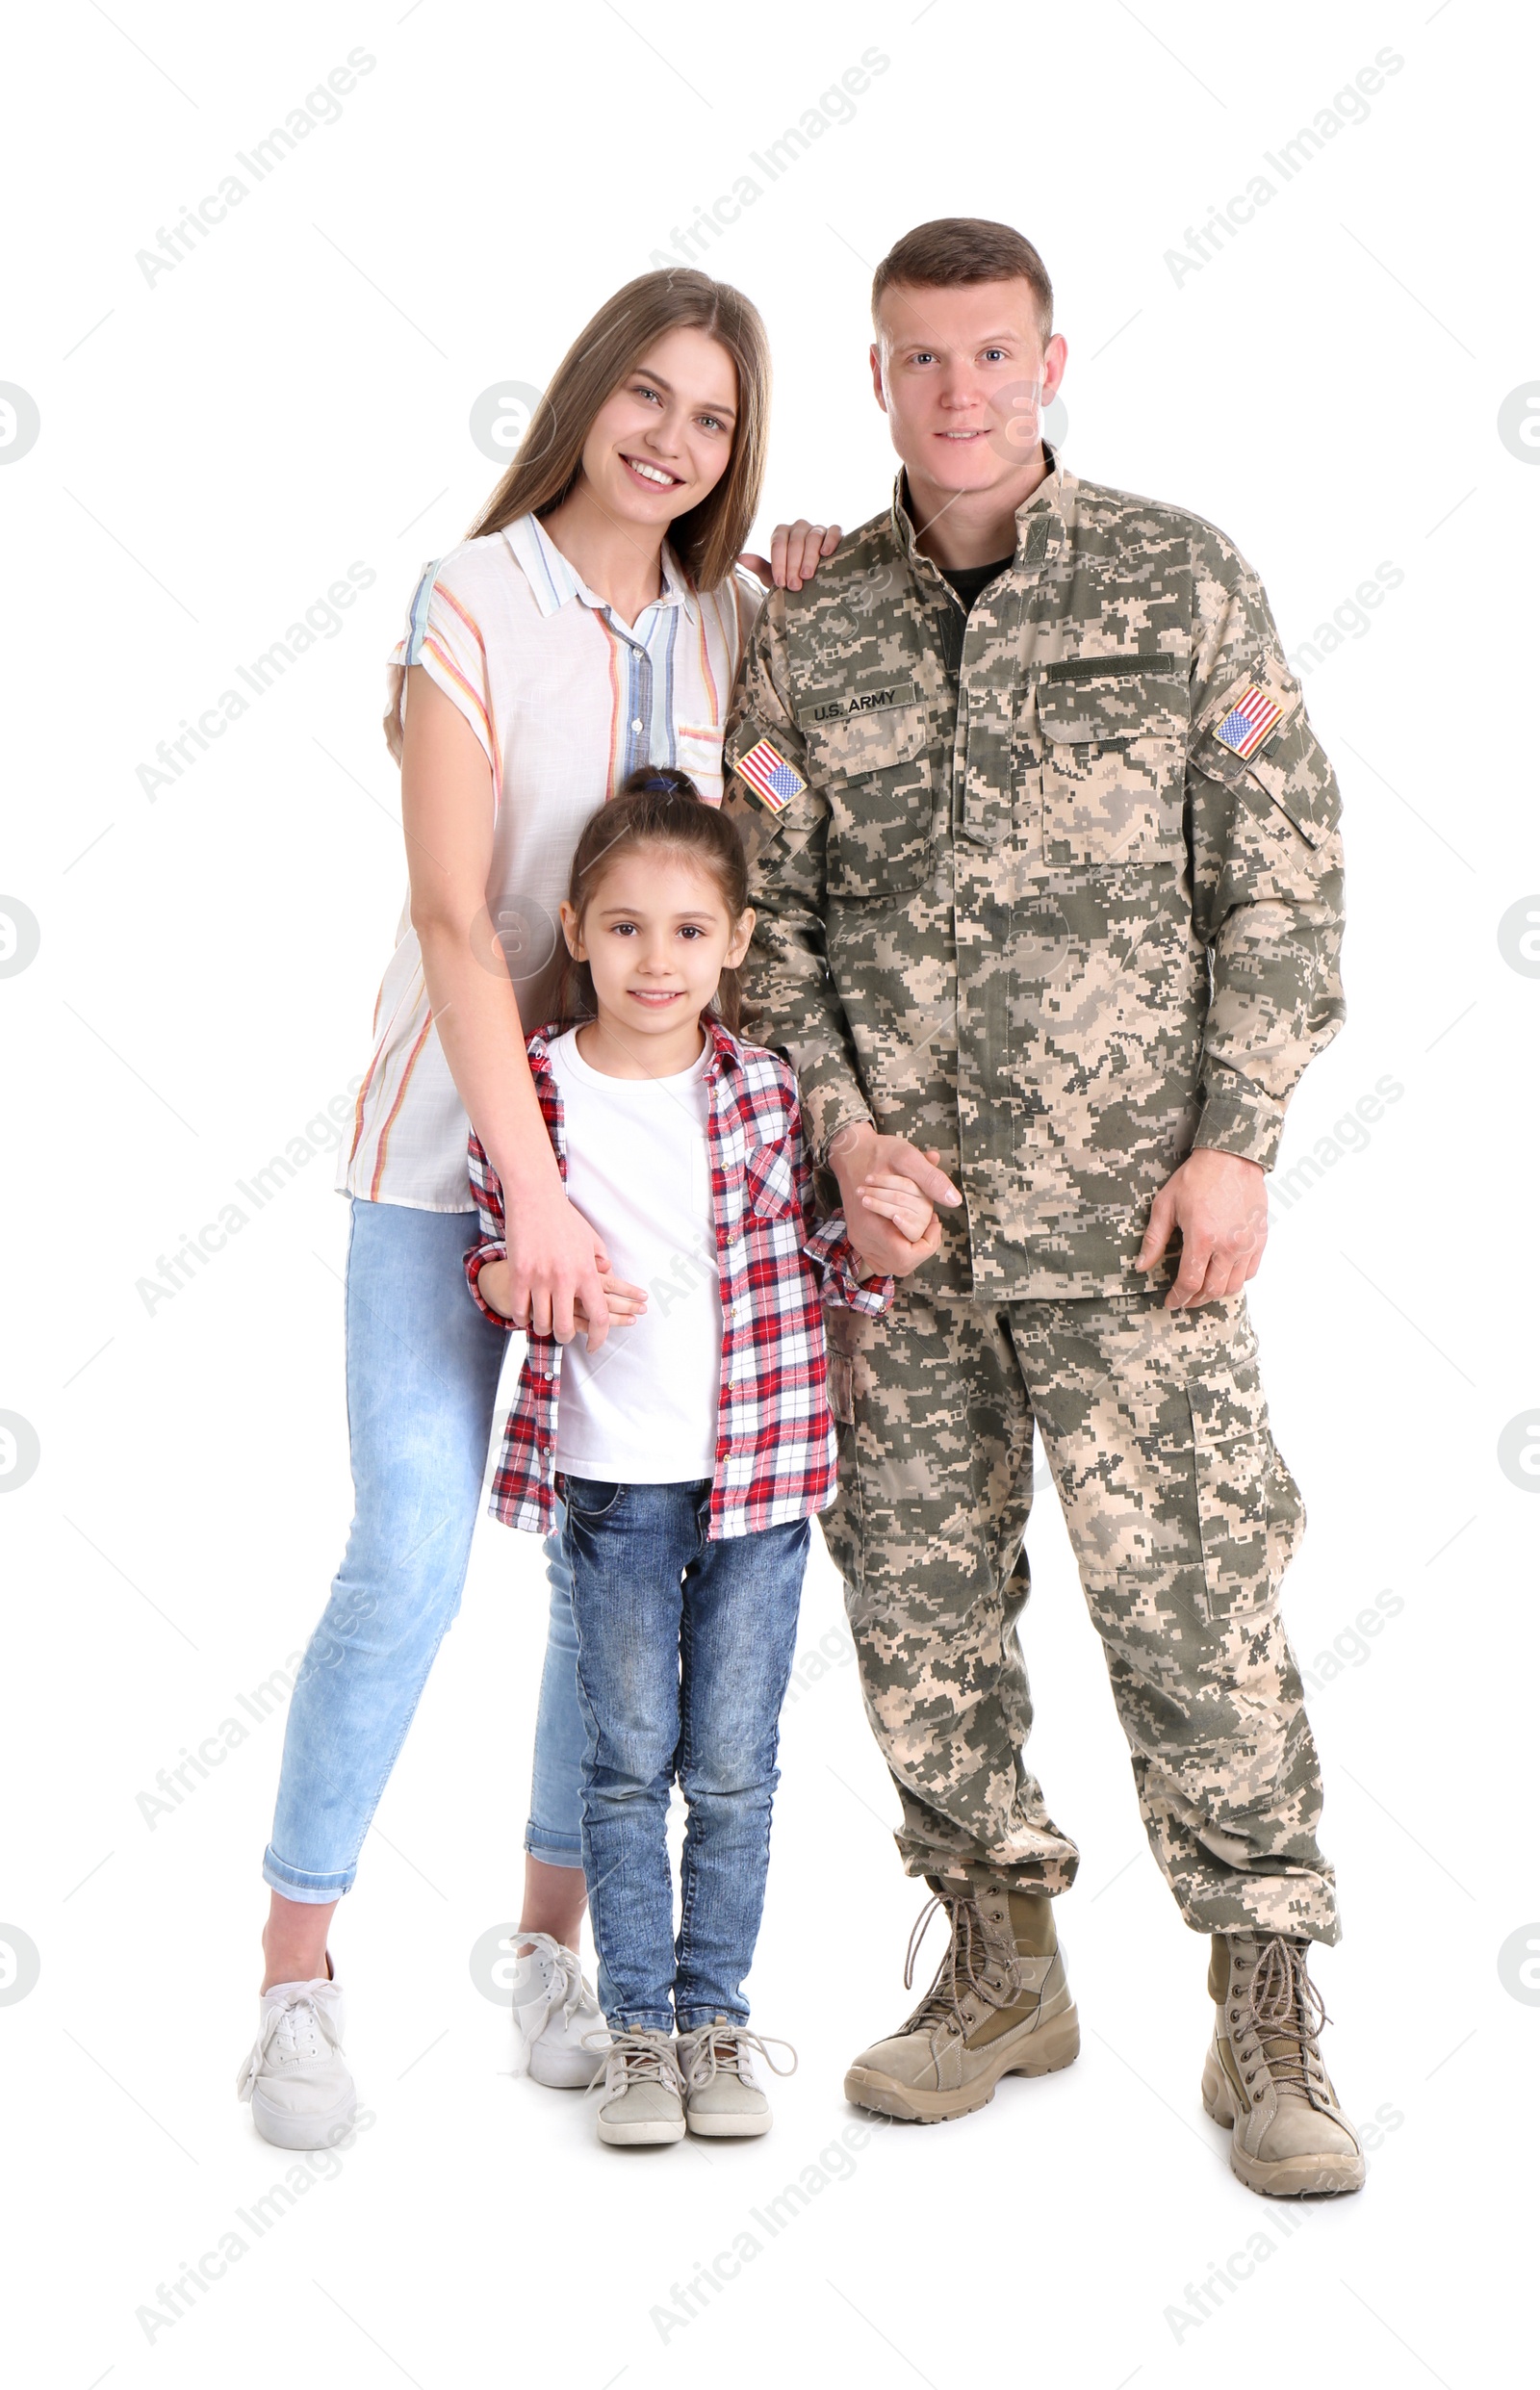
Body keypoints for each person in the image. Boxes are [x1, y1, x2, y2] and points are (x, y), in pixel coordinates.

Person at [723, 218, 1365, 2197]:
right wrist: (838, 1142)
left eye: (993, 355)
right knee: (918, 1619)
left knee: (1195, 1616)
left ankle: (1264, 1996)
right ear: (877, 380)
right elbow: (770, 928)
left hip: (1134, 1237)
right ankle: (1000, 1966)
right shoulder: (807, 632)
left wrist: (1237, 1134)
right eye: (923, 361)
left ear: (1049, 358)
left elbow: (1280, 876)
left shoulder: (1176, 582)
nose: (962, 394)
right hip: (901, 1252)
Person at [238, 266, 841, 2149]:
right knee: (408, 1557)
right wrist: (535, 1199)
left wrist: (825, 573)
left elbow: (761, 853)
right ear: (587, 395)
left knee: (624, 1565)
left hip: (661, 1172)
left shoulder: (733, 618)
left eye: (715, 419)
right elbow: (451, 916)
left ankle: (546, 1951)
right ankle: (293, 1981)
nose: (672, 440)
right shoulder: (469, 602)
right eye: (645, 397)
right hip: (451, 1165)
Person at [464, 770, 938, 2146]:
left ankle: (715, 2021)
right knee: (624, 1766)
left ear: (734, 941)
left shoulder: (768, 1092)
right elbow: (487, 1260)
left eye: (685, 932)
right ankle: (637, 2039)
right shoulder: (538, 1093)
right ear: (575, 931)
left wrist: (878, 1240)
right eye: (622, 930)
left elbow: (823, 1262)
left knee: (733, 1767)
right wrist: (538, 1287)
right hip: (612, 1487)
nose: (654, 961)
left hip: (764, 1486)